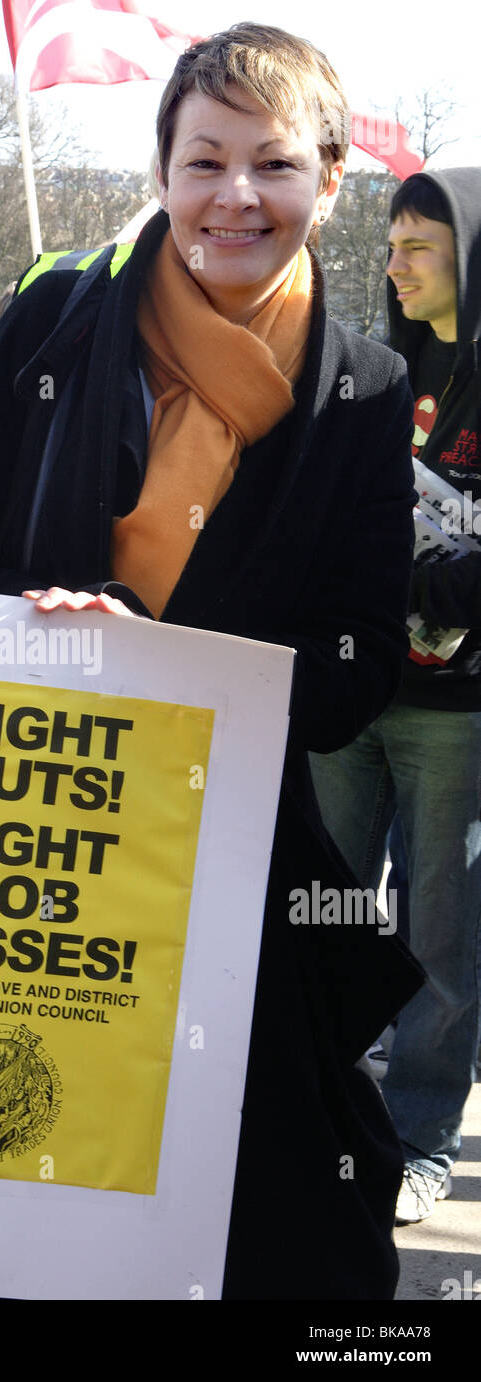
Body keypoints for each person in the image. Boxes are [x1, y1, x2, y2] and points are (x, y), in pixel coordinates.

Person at [0, 23, 424, 1299]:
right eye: (205, 160)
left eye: (273, 165)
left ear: (327, 181)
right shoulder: (56, 320)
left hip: (226, 870)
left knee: (284, 1238)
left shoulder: (363, 387)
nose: (236, 196)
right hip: (16, 849)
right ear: (163, 169)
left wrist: (172, 669)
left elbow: (352, 676)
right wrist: (35, 618)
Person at [310, 169, 481, 1225]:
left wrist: (421, 584)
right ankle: (316, 1103)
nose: (393, 263)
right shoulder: (373, 369)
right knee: (319, 902)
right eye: (388, 242)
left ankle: (419, 1135)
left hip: (453, 712)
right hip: (349, 688)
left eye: (418, 244)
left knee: (439, 933)